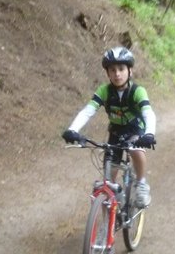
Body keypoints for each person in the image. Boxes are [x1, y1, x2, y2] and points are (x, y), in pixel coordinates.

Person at [61, 46, 157, 208]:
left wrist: (149, 134)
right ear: (108, 73)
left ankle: (141, 184)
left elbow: (148, 113)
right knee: (108, 182)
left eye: (121, 69)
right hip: (116, 132)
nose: (117, 74)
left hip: (135, 131)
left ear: (130, 71)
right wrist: (73, 130)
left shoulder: (137, 91)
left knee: (135, 150)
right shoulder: (104, 91)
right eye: (112, 70)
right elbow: (88, 111)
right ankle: (107, 226)